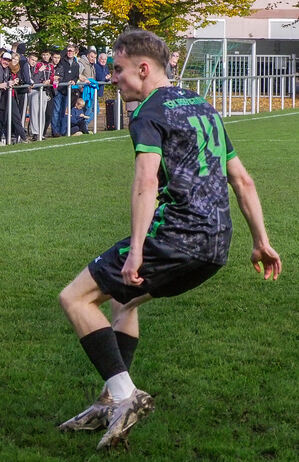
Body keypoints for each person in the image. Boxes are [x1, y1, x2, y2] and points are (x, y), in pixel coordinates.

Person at [56, 29, 281, 450]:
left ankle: (126, 396)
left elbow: (144, 182)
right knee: (123, 301)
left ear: (143, 68)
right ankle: (111, 399)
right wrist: (261, 241)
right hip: (216, 245)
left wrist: (136, 251)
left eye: (118, 69)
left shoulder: (147, 112)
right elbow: (243, 180)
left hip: (177, 236)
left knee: (75, 298)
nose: (114, 78)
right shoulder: (205, 107)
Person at [51, 44, 80, 137]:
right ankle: (55, 131)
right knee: (56, 110)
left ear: (75, 52)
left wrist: (74, 81)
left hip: (68, 91)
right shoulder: (62, 61)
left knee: (65, 111)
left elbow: (76, 76)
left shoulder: (76, 64)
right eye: (68, 51)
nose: (69, 52)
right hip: (59, 90)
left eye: (71, 51)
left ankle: (63, 131)